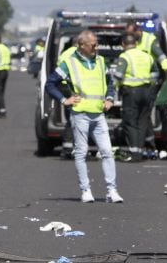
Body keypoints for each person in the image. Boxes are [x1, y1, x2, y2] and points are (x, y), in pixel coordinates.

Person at [45, 30, 123, 203]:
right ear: (82, 45)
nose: (96, 47)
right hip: (80, 114)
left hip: (98, 114)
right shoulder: (69, 64)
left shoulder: (101, 62)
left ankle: (112, 190)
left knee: (107, 152)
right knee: (81, 153)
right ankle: (85, 190)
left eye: (96, 44)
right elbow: (50, 84)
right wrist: (64, 100)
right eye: (93, 44)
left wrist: (109, 98)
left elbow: (109, 83)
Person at [126, 21, 167, 158]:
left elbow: (161, 56)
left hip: (150, 83)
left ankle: (148, 145)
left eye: (131, 34)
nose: (129, 37)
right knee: (142, 116)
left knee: (144, 115)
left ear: (137, 31)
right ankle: (145, 144)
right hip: (136, 84)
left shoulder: (149, 40)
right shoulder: (133, 42)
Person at [113, 33, 155, 162]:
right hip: (147, 91)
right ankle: (140, 151)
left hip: (132, 92)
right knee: (143, 121)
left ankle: (134, 152)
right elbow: (155, 74)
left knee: (131, 122)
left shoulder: (125, 56)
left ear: (123, 45)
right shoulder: (147, 56)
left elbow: (118, 75)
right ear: (136, 44)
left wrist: (113, 89)